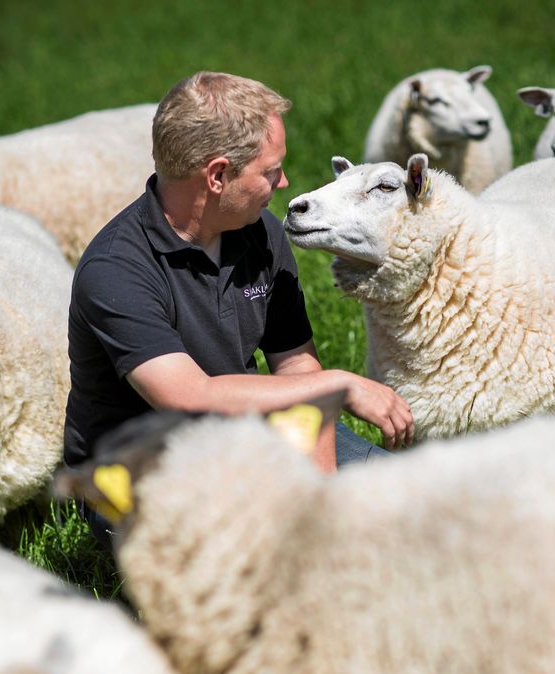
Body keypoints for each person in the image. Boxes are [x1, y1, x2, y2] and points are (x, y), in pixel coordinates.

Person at [64, 71, 413, 540]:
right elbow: (188, 396)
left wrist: (322, 500)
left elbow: (297, 372)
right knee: (248, 568)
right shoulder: (117, 269)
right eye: (271, 171)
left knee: (415, 507)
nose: (285, 182)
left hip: (250, 433)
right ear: (217, 176)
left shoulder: (262, 234)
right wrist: (339, 384)